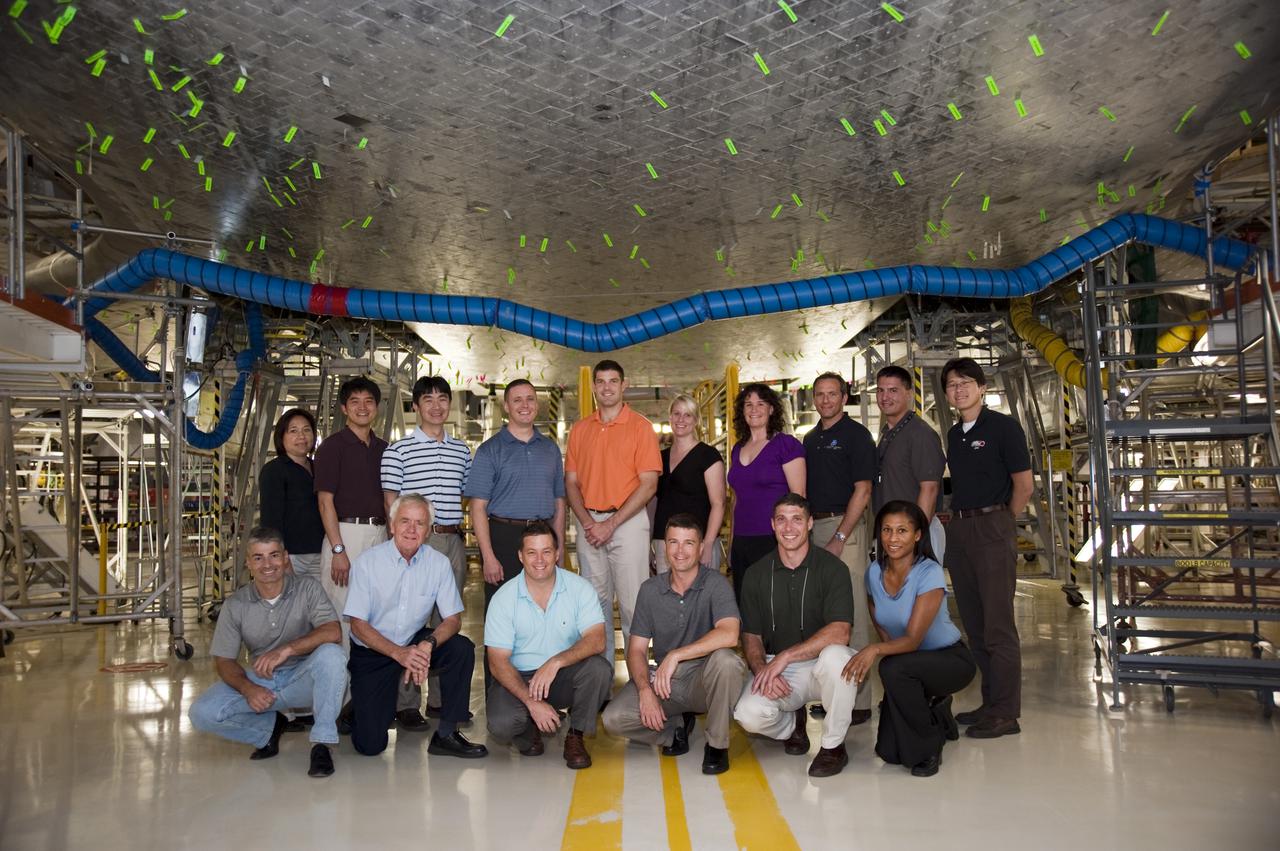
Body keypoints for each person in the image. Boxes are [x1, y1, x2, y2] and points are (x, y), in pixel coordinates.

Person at [188, 527, 346, 778]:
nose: (267, 564)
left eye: (273, 555)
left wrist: (288, 649)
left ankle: (322, 743)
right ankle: (268, 730)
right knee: (202, 713)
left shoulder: (307, 588)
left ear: (285, 558)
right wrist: (248, 688)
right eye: (258, 558)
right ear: (249, 563)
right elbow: (224, 660)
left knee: (333, 656)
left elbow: (333, 632)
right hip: (263, 682)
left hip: (303, 679)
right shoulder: (236, 604)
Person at [343, 494, 487, 759]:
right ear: (392, 525)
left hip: (414, 641)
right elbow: (358, 625)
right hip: (374, 649)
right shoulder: (367, 563)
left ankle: (446, 734)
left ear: (428, 529)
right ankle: (358, 706)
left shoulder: (438, 564)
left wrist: (427, 645)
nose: (411, 529)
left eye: (420, 523)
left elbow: (453, 619)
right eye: (405, 521)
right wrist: (399, 654)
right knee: (371, 745)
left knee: (461, 648)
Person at [603, 514, 747, 775]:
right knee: (613, 719)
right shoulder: (650, 590)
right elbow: (635, 650)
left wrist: (676, 656)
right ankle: (675, 730)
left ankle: (716, 744)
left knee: (728, 661)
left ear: (701, 548)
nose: (680, 551)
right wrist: (646, 691)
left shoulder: (715, 583)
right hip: (665, 684)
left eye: (689, 543)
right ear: (664, 547)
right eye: (673, 542)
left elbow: (730, 634)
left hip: (704, 680)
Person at [842, 501, 976, 777]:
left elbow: (913, 639)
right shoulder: (874, 573)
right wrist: (885, 650)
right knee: (888, 753)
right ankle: (937, 713)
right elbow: (882, 625)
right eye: (887, 530)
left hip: (950, 660)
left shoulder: (929, 573)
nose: (893, 538)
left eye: (902, 530)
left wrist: (875, 650)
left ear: (917, 535)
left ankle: (928, 748)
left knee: (892, 668)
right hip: (909, 664)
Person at [733, 494, 859, 778]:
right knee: (747, 714)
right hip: (780, 671)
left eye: (796, 519)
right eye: (781, 520)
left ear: (810, 523)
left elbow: (841, 631)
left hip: (819, 666)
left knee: (839, 658)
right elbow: (751, 635)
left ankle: (833, 746)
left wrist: (786, 656)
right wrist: (762, 668)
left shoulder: (833, 568)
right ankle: (792, 724)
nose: (789, 527)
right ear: (772, 525)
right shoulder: (756, 574)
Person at [941, 357, 1033, 740]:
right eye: (951, 384)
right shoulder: (954, 434)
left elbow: (1023, 486)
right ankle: (990, 702)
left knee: (998, 626)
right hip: (960, 528)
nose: (958, 389)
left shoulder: (1004, 428)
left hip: (993, 525)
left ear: (981, 387)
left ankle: (1007, 712)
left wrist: (1001, 523)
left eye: (965, 382)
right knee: (975, 626)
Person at [485, 521, 614, 770]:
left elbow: (597, 640)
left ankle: (576, 735)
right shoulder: (504, 598)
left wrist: (555, 662)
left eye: (546, 551)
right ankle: (528, 728)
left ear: (557, 553)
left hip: (561, 675)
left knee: (599, 669)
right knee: (502, 724)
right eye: (532, 552)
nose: (540, 560)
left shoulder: (579, 588)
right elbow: (497, 662)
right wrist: (531, 702)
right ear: (521, 556)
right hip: (519, 678)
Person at [381, 375, 472, 723]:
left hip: (452, 540)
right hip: (416, 543)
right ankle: (406, 704)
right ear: (415, 406)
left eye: (442, 399)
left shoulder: (461, 450)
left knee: (448, 620)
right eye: (428, 399)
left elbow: (464, 493)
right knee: (411, 620)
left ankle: (440, 701)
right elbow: (391, 501)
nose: (436, 406)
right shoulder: (398, 450)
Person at [565, 359, 662, 663]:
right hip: (589, 523)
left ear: (624, 385)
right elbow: (571, 483)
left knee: (634, 604)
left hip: (629, 522)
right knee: (595, 606)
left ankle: (639, 682)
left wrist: (612, 523)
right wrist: (588, 521)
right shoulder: (580, 430)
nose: (607, 387)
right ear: (594, 386)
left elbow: (648, 485)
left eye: (613, 381)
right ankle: (601, 678)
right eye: (601, 381)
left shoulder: (641, 427)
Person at [802, 372, 877, 726]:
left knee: (854, 616)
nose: (826, 400)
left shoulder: (857, 436)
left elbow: (862, 492)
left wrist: (841, 537)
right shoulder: (810, 438)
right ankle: (836, 694)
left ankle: (860, 703)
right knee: (828, 616)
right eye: (820, 395)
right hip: (816, 528)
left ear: (844, 397)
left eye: (833, 394)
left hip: (845, 529)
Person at [467, 379, 566, 611]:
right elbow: (477, 507)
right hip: (503, 537)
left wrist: (558, 549)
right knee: (502, 609)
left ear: (537, 405)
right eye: (517, 400)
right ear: (506, 406)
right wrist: (488, 556)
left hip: (543, 535)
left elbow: (559, 503)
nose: (525, 405)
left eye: (530, 399)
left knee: (545, 607)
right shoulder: (489, 450)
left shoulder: (550, 449)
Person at [313, 376, 388, 649]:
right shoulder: (332, 447)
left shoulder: (384, 449)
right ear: (344, 408)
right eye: (355, 402)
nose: (363, 407)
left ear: (377, 407)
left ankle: (368, 687)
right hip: (346, 535)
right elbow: (325, 502)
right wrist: (338, 550)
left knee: (376, 611)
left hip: (380, 534)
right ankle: (343, 690)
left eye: (369, 401)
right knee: (343, 612)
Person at [727, 383, 805, 599]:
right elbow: (736, 500)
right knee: (747, 609)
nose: (754, 409)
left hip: (774, 539)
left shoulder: (786, 445)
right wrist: (733, 542)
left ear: (771, 409)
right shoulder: (737, 449)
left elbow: (799, 498)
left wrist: (792, 544)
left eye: (761, 404)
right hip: (742, 541)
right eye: (748, 404)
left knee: (776, 607)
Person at [872, 365, 946, 565]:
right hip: (895, 535)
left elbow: (929, 489)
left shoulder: (920, 434)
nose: (885, 396)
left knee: (921, 594)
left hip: (915, 536)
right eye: (880, 390)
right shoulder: (889, 434)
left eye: (893, 390)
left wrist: (914, 539)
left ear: (909, 394)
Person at [651, 394, 725, 574]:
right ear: (670, 418)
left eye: (687, 415)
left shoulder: (708, 455)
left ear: (696, 420)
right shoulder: (660, 457)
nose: (681, 419)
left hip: (696, 542)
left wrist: (707, 545)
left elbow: (719, 503)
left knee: (700, 599)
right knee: (668, 599)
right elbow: (654, 502)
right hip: (665, 542)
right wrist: (650, 542)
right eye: (676, 414)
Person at [259, 409, 324, 580]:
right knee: (291, 604)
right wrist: (279, 558)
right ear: (282, 437)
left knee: (320, 605)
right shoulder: (274, 470)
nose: (301, 436)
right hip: (291, 556)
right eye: (293, 431)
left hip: (322, 553)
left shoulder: (319, 467)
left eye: (307, 430)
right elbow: (271, 520)